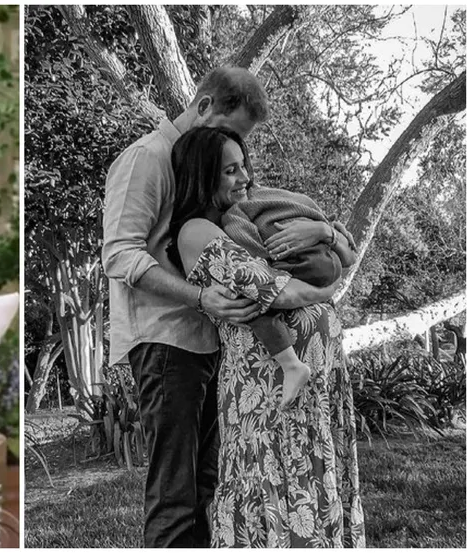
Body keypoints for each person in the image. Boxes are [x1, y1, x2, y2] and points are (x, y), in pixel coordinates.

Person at [168, 125, 365, 547]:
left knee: (316, 485)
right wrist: (327, 293)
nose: (244, 180)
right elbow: (278, 290)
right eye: (230, 172)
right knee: (276, 492)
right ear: (202, 176)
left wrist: (321, 233)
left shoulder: (250, 219)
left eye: (244, 168)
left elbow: (340, 256)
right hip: (267, 395)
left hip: (312, 388)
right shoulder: (196, 232)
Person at [102, 66, 270, 547]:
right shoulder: (146, 159)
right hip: (163, 344)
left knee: (206, 488)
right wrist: (200, 297)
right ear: (203, 106)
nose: (229, 149)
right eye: (226, 131)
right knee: (175, 496)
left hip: (205, 341)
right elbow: (119, 254)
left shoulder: (196, 161)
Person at [221, 185, 358, 407]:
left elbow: (250, 253)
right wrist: (330, 232)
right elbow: (349, 256)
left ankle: (290, 365)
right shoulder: (292, 198)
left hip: (305, 263)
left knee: (251, 299)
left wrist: (267, 263)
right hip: (327, 259)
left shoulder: (236, 211)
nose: (241, 178)